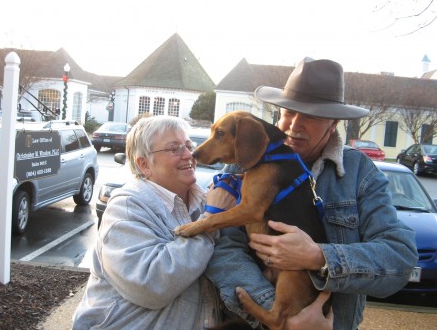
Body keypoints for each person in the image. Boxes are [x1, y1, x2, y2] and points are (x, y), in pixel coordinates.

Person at [205, 57, 418, 330]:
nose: (294, 125)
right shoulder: (244, 160)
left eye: (311, 116)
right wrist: (284, 318)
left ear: (333, 124)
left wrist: (318, 256)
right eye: (288, 112)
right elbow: (224, 251)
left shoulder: (358, 173)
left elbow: (399, 258)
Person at [72, 115, 234, 330]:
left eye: (188, 145)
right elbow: (151, 284)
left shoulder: (206, 201)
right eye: (174, 148)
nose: (189, 154)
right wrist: (211, 222)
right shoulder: (128, 207)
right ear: (144, 164)